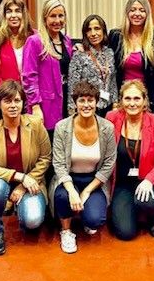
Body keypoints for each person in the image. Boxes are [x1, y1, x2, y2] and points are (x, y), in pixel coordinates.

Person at [0, 80, 52, 256]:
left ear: (23, 103)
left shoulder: (35, 124)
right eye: (8, 101)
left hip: (31, 183)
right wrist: (20, 177)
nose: (13, 106)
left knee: (32, 221)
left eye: (17, 101)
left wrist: (23, 185)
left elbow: (45, 158)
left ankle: (19, 207)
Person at [50, 81, 117, 254]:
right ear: (75, 103)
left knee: (95, 220)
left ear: (96, 102)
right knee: (64, 197)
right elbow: (58, 163)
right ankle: (66, 231)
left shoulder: (107, 128)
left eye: (90, 100)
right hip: (68, 179)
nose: (86, 104)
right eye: (82, 100)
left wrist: (87, 191)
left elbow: (109, 163)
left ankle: (87, 219)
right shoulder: (62, 127)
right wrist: (72, 191)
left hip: (94, 180)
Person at [106, 80, 154, 240]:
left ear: (144, 100)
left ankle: (153, 217)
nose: (132, 103)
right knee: (125, 233)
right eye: (127, 99)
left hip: (146, 179)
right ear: (121, 101)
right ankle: (132, 209)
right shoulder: (112, 118)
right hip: (122, 183)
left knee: (146, 202)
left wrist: (150, 180)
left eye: (137, 98)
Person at [22, 0, 73, 140]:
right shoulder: (35, 41)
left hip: (65, 101)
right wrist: (36, 106)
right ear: (45, 18)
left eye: (61, 15)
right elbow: (28, 77)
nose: (57, 20)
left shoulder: (67, 41)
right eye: (53, 16)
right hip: (46, 105)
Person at [108, 0, 154, 114]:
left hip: (147, 98)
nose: (137, 14)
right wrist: (82, 47)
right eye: (133, 10)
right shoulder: (116, 35)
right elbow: (102, 54)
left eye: (142, 10)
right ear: (127, 13)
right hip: (122, 98)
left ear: (147, 14)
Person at [68, 14, 118, 118]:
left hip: (106, 106)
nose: (93, 33)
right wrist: (72, 111)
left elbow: (112, 81)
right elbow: (73, 85)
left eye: (97, 29)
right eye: (89, 30)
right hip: (87, 107)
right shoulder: (79, 54)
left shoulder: (109, 53)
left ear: (103, 31)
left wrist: (115, 105)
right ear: (85, 33)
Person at [0, 0, 35, 93]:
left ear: (23, 14)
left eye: (17, 11)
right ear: (3, 15)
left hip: (33, 97)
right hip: (7, 98)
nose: (13, 15)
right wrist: (10, 96)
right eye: (9, 11)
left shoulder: (35, 37)